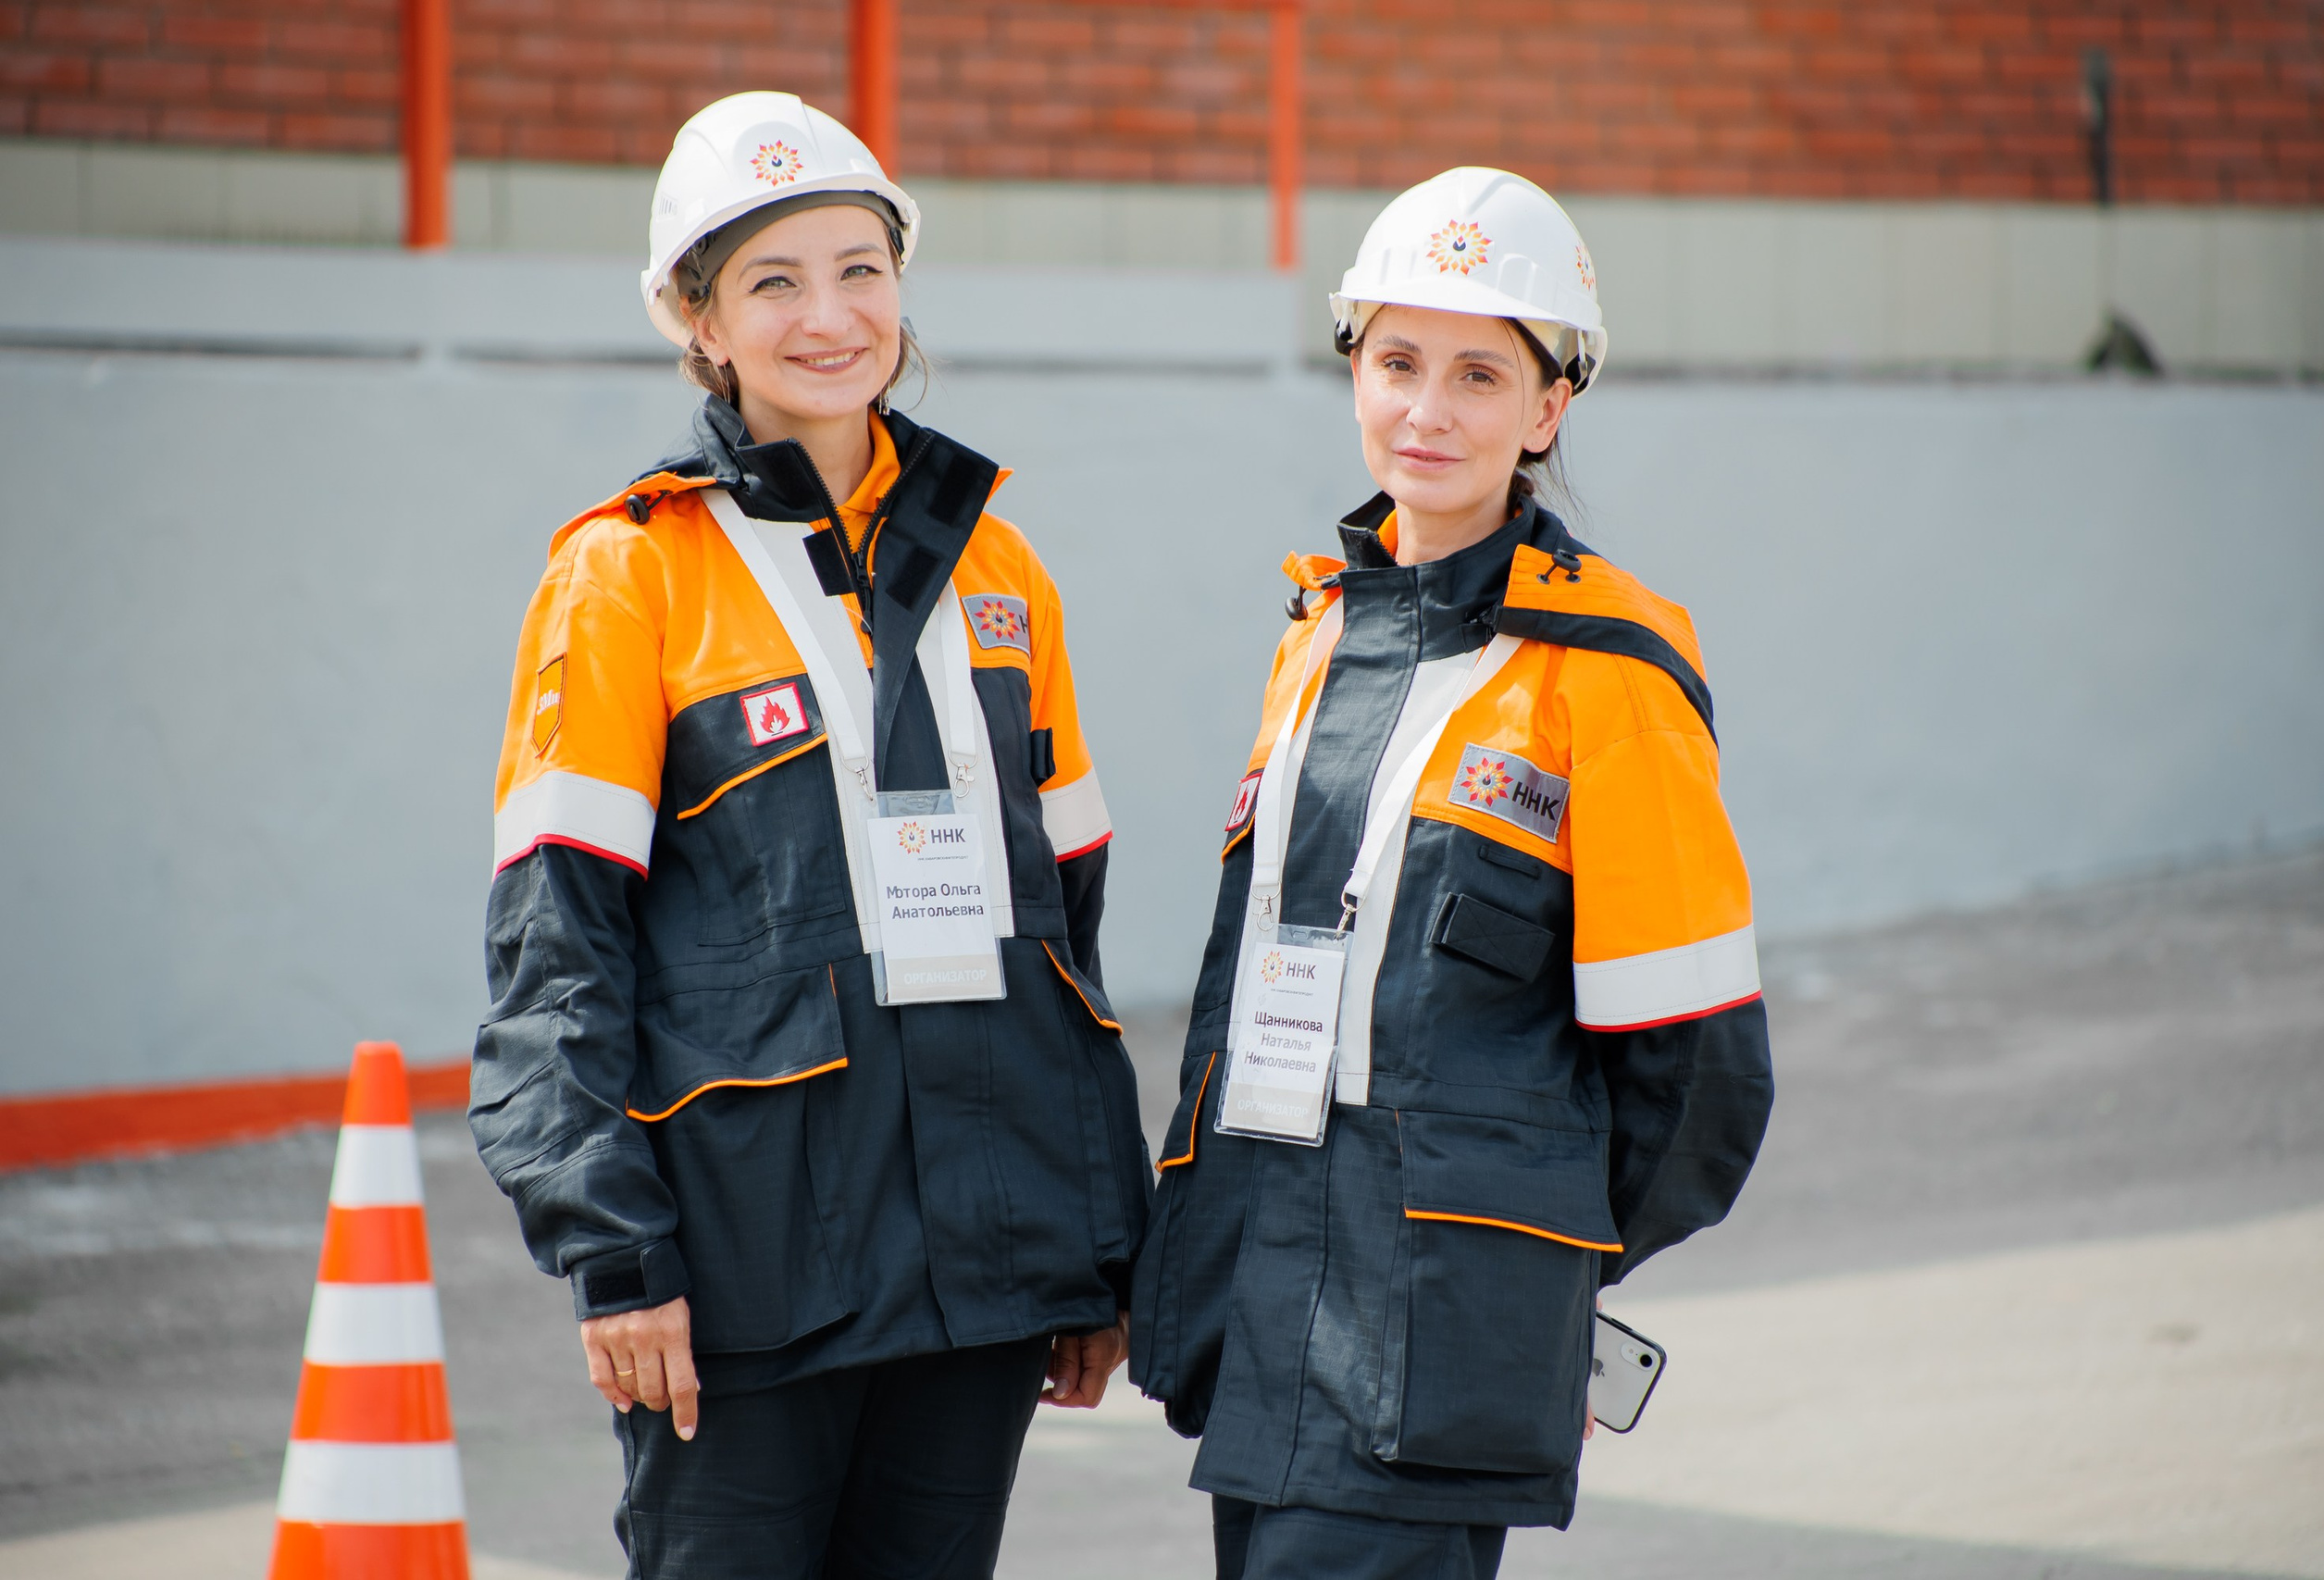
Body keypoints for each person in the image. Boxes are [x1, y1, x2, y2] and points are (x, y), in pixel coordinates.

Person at [470, 92, 1150, 1579]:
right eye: (773, 282)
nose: (829, 315)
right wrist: (616, 1256)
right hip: (744, 1275)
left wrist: (1096, 1240)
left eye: (860, 269)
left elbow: (1069, 937)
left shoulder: (1001, 564)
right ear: (701, 324)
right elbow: (552, 954)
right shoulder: (624, 577)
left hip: (988, 1264)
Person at [1128, 168, 1775, 1580]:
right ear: (1353, 368)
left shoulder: (1612, 673)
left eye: (1482, 374)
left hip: (1433, 1326)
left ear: (1550, 409)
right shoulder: (1319, 632)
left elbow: (1701, 1070)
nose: (1427, 410)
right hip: (1268, 1301)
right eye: (1399, 361)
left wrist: (1525, 1259)